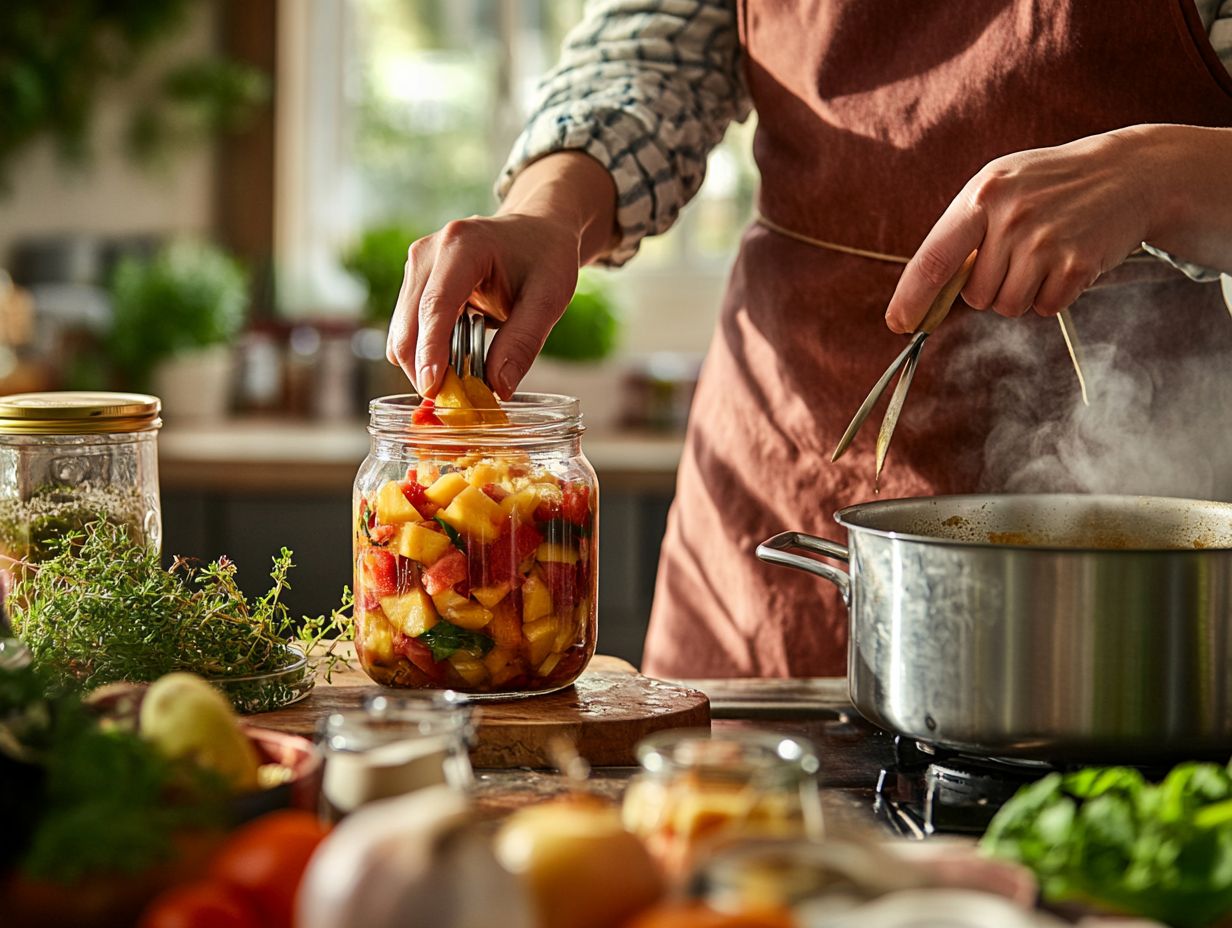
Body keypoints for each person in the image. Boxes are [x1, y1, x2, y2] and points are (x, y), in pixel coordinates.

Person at [386, 1, 1232, 679]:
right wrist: (545, 212)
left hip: (1152, 530)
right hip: (778, 474)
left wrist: (1162, 173)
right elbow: (651, 53)